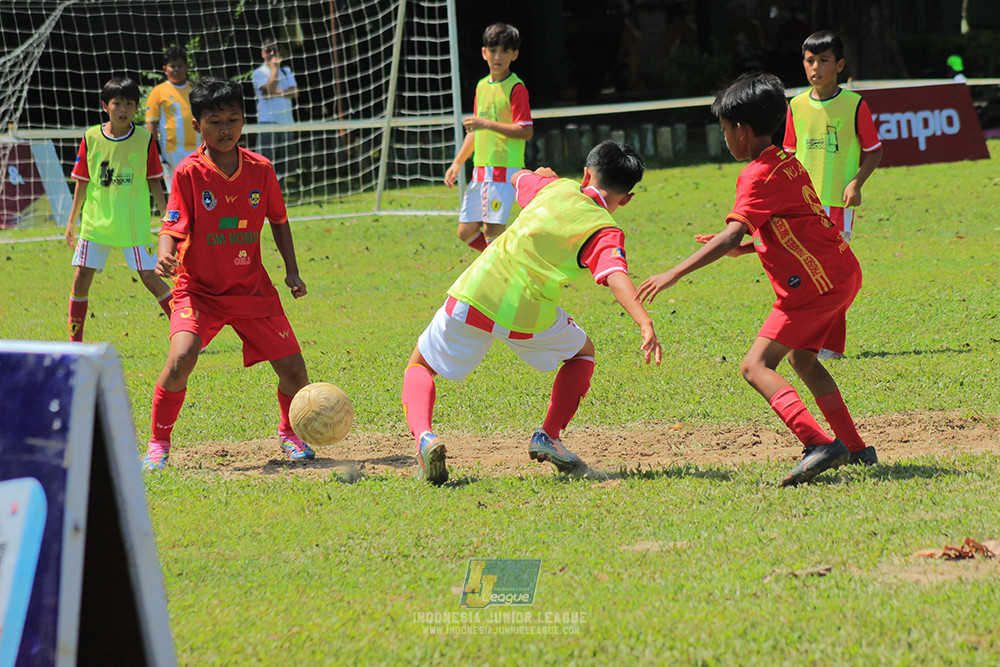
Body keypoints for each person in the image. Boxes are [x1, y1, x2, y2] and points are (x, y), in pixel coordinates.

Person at [637, 72, 878, 487]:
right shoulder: (789, 163)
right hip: (841, 271)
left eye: (725, 129)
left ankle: (818, 443)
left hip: (815, 285)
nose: (724, 136)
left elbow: (734, 230)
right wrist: (746, 248)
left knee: (755, 366)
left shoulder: (755, 174)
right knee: (803, 360)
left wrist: (674, 272)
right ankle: (856, 448)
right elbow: (800, 225)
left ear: (742, 131)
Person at [404, 141, 662, 485]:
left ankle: (425, 438)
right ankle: (548, 436)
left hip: (476, 293)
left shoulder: (555, 187)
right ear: (627, 198)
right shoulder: (605, 230)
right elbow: (616, 277)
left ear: (585, 174)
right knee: (582, 354)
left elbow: (522, 179)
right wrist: (643, 320)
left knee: (421, 365)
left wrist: (534, 174)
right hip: (528, 315)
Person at [142, 77, 311, 471]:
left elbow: (279, 221)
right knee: (182, 357)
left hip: (252, 289)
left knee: (294, 371)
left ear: (243, 120)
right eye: (215, 121)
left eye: (233, 119)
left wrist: (292, 271)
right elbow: (171, 225)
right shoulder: (188, 172)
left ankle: (290, 434)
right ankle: (158, 444)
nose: (225, 129)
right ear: (198, 123)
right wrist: (164, 256)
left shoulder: (261, 169)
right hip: (198, 291)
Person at [783, 30, 882, 359]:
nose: (816, 67)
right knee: (810, 273)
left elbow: (874, 151)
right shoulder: (795, 105)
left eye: (824, 60)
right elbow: (788, 154)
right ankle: (811, 339)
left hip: (837, 205)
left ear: (839, 65)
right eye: (810, 61)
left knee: (834, 275)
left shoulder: (855, 105)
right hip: (802, 206)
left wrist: (856, 183)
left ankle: (829, 346)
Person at [65, 76, 173, 342]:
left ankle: (186, 332)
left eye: (129, 104)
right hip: (96, 224)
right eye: (117, 103)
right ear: (105, 106)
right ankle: (74, 344)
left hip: (132, 224)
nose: (123, 109)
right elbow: (82, 181)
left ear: (136, 108)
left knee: (149, 276)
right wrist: (72, 221)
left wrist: (166, 215)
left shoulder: (145, 139)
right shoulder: (90, 137)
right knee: (81, 277)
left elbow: (154, 180)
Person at [444, 23, 533, 253]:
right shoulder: (481, 86)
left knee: (493, 233)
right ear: (484, 52)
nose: (498, 56)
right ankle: (508, 265)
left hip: (504, 173)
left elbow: (525, 131)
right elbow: (475, 132)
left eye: (505, 50)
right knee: (465, 231)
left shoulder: (517, 88)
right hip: (480, 172)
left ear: (515, 54)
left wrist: (486, 124)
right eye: (493, 50)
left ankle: (501, 276)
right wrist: (457, 163)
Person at [145, 46, 200, 188]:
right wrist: (155, 150)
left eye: (180, 66)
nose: (176, 70)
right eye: (172, 66)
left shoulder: (196, 89)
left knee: (199, 187)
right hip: (171, 151)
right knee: (177, 190)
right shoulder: (158, 92)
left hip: (198, 147)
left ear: (187, 67)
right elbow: (151, 123)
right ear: (165, 69)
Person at [252, 37, 298, 188]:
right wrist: (274, 70)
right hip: (268, 123)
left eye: (274, 50)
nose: (272, 53)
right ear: (262, 53)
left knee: (283, 161)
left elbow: (295, 93)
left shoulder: (287, 70)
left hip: (286, 122)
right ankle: (264, 191)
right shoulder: (259, 73)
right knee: (266, 161)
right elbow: (268, 92)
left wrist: (276, 92)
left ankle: (280, 193)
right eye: (268, 50)